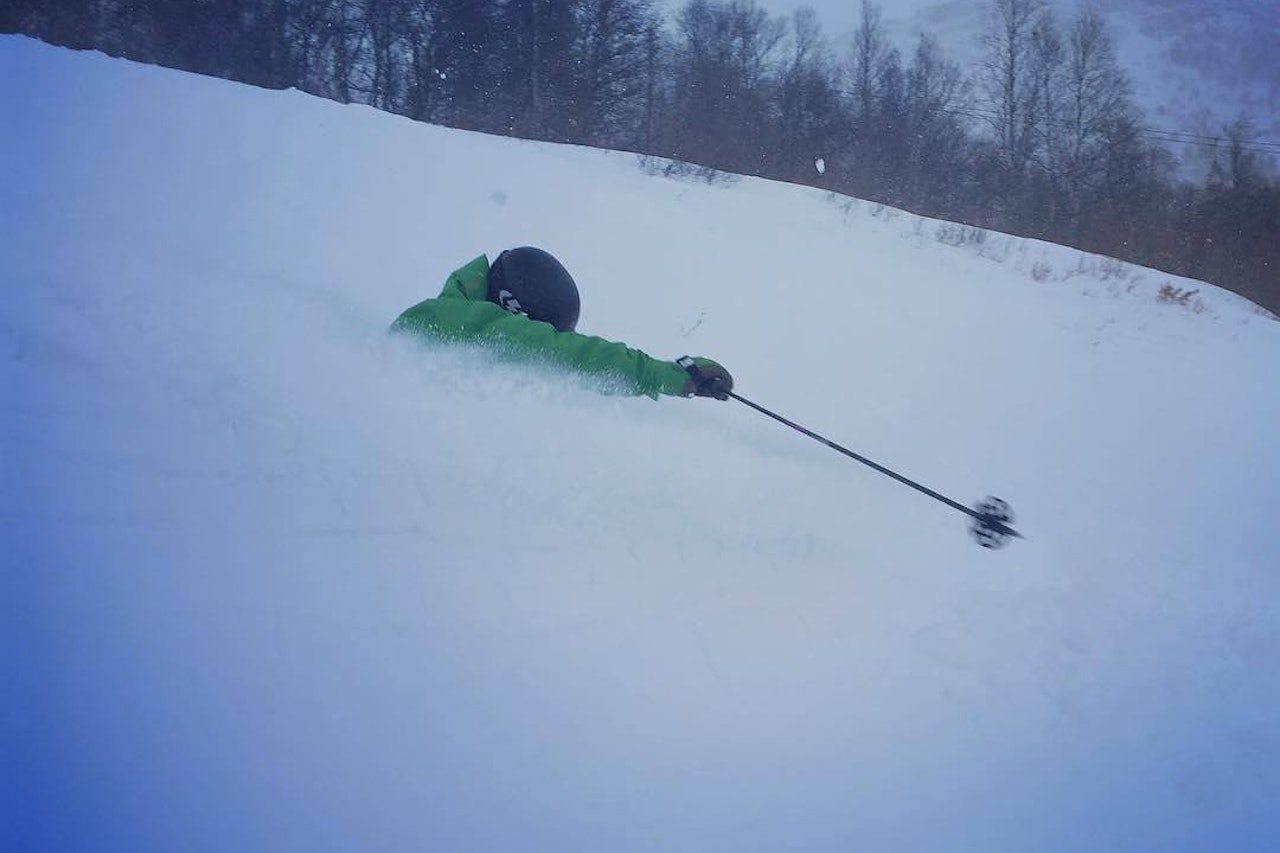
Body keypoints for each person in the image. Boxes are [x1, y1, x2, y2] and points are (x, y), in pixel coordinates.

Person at [390, 247, 733, 400]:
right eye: (538, 329)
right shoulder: (452, 320)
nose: (544, 337)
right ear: (512, 308)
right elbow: (562, 353)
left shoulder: (462, 326)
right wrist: (662, 375)